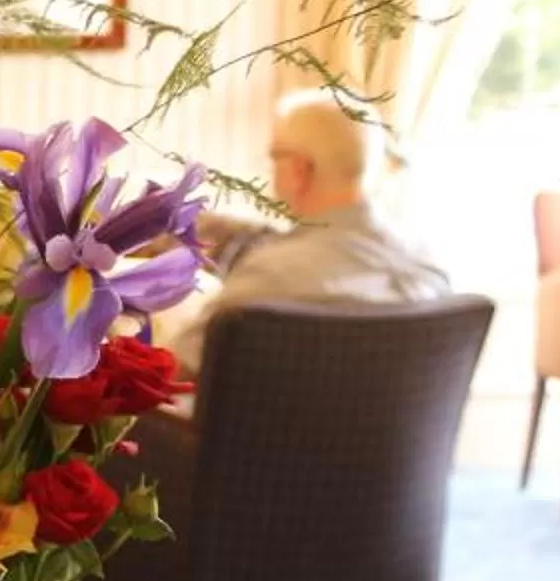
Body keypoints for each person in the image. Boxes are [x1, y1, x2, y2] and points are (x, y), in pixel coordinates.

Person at [160, 91, 448, 372]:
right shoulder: (426, 266)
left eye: (274, 156)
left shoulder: (273, 274)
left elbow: (177, 368)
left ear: (299, 169)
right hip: (384, 421)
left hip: (269, 420)